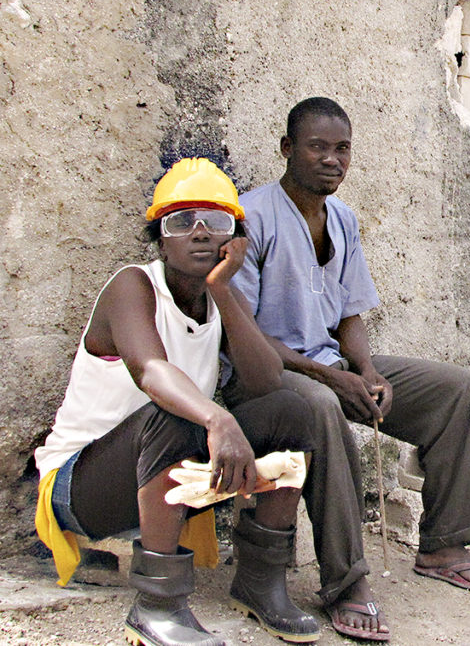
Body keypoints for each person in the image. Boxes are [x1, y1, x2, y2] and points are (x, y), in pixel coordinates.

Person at [224, 97, 470, 642]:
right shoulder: (251, 217)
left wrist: (369, 371)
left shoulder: (343, 219)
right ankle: (347, 581)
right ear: (286, 150)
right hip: (262, 378)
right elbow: (246, 337)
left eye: (343, 149)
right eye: (317, 147)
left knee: (454, 390)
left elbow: (350, 312)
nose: (332, 160)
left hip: (330, 363)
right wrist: (334, 377)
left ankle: (446, 544)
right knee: (325, 407)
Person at [34, 158, 321, 646]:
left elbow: (267, 380)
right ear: (160, 238)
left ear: (235, 239)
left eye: (217, 221)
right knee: (170, 410)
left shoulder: (219, 298)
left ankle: (259, 583)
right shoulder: (132, 285)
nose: (201, 232)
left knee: (292, 410)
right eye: (182, 221)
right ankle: (157, 605)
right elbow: (151, 371)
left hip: (164, 476)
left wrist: (223, 291)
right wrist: (217, 417)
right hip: (80, 488)